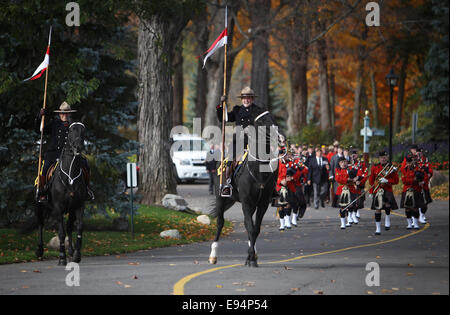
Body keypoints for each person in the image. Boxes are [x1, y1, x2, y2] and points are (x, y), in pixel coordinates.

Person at [35, 101, 94, 202]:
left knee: (85, 165)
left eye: (66, 113)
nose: (64, 115)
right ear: (59, 114)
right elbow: (39, 130)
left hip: (70, 154)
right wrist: (40, 116)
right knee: (44, 168)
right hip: (53, 154)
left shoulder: (74, 125)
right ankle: (42, 191)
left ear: (70, 113)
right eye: (62, 113)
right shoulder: (54, 123)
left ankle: (87, 189)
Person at [216, 86, 269, 197]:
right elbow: (224, 118)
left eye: (248, 98)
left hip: (254, 142)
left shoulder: (258, 111)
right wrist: (221, 105)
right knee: (229, 160)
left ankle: (270, 188)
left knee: (267, 161)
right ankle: (227, 184)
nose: (246, 100)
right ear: (242, 99)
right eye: (244, 98)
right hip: (238, 143)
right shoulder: (237, 110)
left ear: (252, 99)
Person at [369, 151, 399, 235]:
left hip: (387, 189)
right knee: (378, 208)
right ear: (379, 158)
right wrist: (371, 192)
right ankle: (378, 228)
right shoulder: (375, 167)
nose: (383, 158)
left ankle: (387, 219)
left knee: (387, 205)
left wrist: (387, 180)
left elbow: (396, 181)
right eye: (381, 157)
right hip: (378, 190)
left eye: (385, 157)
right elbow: (371, 180)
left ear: (387, 157)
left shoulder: (391, 168)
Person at [333, 157, 363, 229]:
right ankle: (343, 223)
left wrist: (358, 178)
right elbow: (338, 179)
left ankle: (349, 217)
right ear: (339, 163)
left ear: (347, 162)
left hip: (351, 189)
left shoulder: (351, 169)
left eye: (345, 162)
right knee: (342, 207)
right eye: (341, 162)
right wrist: (347, 179)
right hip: (341, 189)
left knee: (351, 205)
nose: (343, 163)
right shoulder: (337, 170)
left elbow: (359, 174)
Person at [400, 155, 426, 230]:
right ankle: (409, 224)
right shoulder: (404, 169)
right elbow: (404, 181)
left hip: (416, 190)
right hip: (407, 190)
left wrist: (420, 180)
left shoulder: (418, 169)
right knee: (407, 208)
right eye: (408, 162)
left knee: (416, 208)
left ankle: (416, 223)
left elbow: (423, 177)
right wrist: (414, 180)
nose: (409, 164)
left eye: (411, 162)